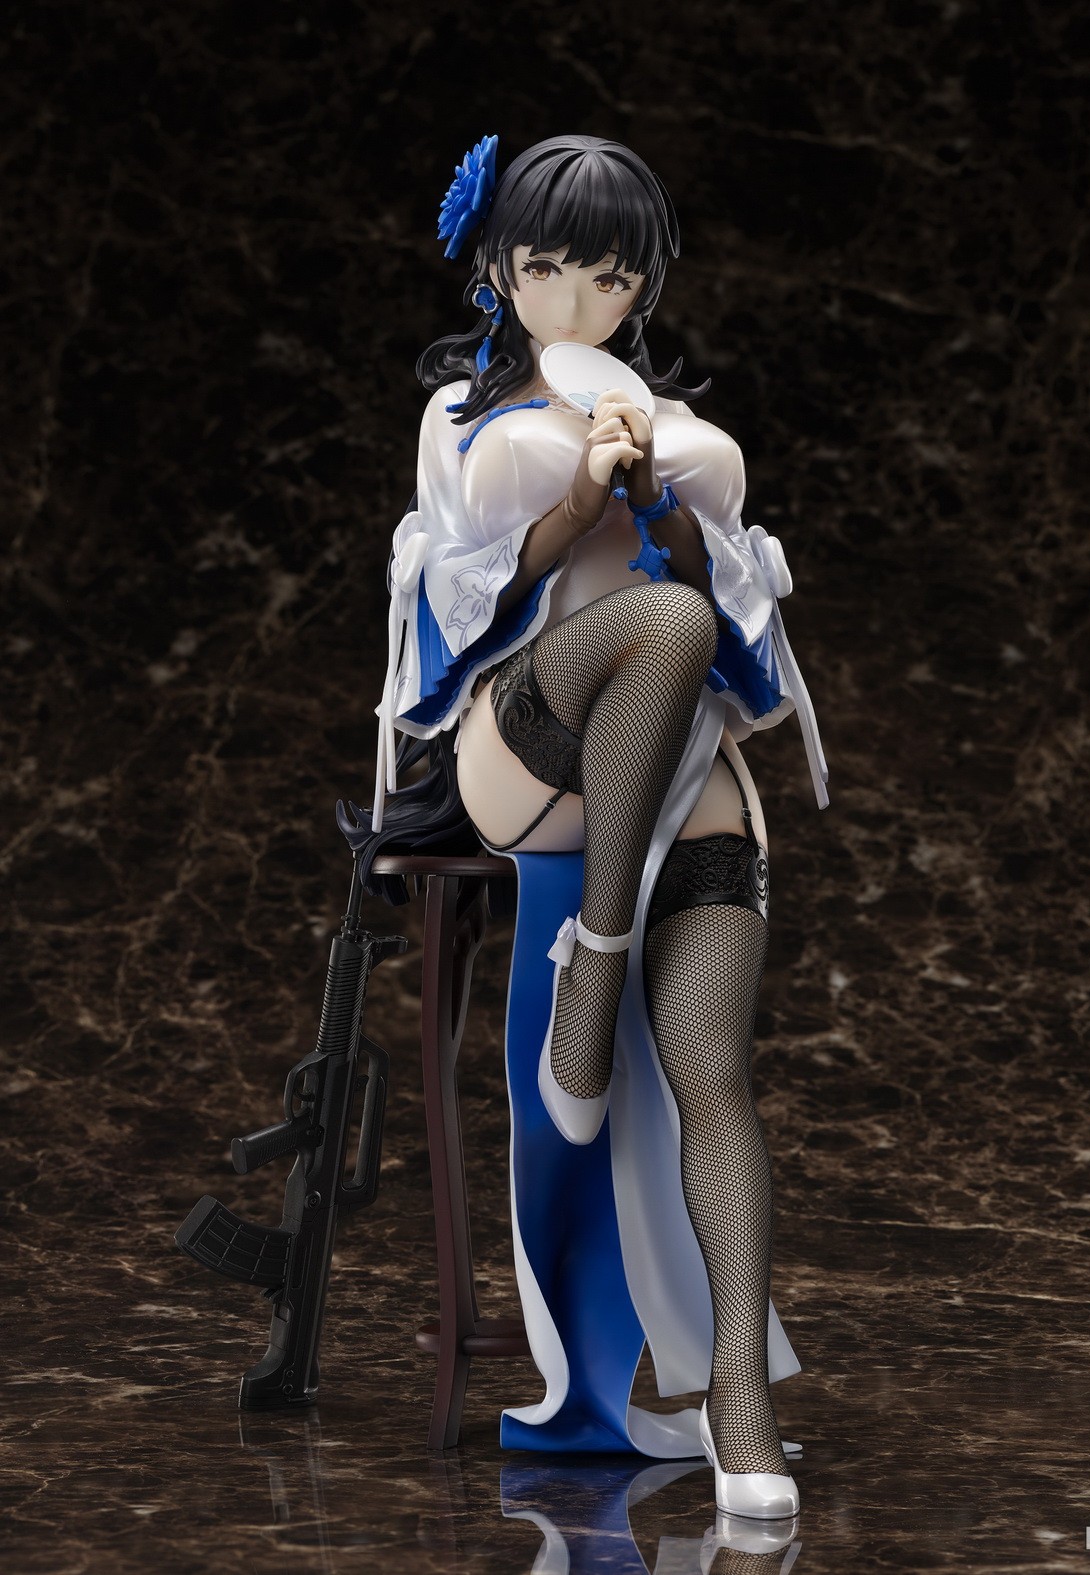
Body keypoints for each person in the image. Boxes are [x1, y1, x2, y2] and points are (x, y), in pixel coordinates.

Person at [371, 133, 828, 1520]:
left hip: (677, 771)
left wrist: (660, 508)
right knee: (661, 620)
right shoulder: (462, 419)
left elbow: (743, 639)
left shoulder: (682, 435)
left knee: (710, 1069)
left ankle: (738, 1402)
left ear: (646, 288)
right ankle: (599, 953)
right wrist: (578, 499)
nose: (577, 301)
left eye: (612, 278)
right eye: (547, 269)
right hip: (527, 744)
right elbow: (460, 600)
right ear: (496, 271)